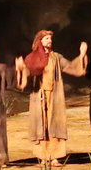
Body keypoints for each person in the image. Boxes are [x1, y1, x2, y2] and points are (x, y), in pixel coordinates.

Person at [17, 30, 87, 164]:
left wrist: (82, 55)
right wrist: (21, 68)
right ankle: (43, 157)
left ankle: (54, 157)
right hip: (39, 96)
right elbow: (26, 73)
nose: (49, 40)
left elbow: (72, 67)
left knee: (54, 125)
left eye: (50, 38)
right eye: (46, 38)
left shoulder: (56, 57)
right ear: (40, 41)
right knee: (41, 126)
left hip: (54, 96)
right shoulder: (33, 58)